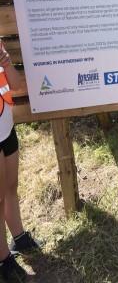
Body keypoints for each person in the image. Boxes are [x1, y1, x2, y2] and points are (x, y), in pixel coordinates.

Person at [0, 41, 40, 281]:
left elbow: (15, 84)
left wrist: (6, 63)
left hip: (7, 129)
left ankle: (19, 238)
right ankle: (3, 259)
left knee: (12, 186)